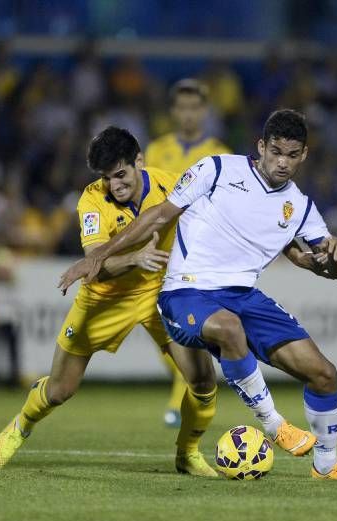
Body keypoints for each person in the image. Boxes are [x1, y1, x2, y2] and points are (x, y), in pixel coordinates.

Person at [60, 110, 337, 481]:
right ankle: (275, 426)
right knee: (229, 329)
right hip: (186, 291)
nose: (282, 162)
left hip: (244, 295)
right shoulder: (217, 169)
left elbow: (333, 270)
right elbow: (160, 215)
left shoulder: (301, 209)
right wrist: (98, 255)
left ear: (304, 155)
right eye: (275, 151)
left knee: (324, 374)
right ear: (261, 146)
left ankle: (326, 467)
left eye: (292, 155)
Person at [0, 127, 221, 477]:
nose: (115, 185)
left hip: (161, 293)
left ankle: (186, 453)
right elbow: (94, 267)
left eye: (121, 174)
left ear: (139, 161)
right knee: (61, 389)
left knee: (202, 380)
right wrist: (133, 259)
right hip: (103, 299)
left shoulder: (172, 185)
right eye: (107, 178)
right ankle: (23, 423)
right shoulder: (91, 201)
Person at [145, 78, 230, 428]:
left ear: (205, 111)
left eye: (195, 107)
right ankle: (187, 382)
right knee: (156, 323)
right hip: (162, 250)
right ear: (173, 112)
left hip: (199, 253)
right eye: (182, 107)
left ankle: (181, 395)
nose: (188, 114)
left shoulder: (221, 154)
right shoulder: (155, 150)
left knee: (187, 324)